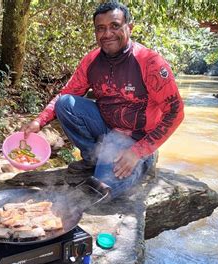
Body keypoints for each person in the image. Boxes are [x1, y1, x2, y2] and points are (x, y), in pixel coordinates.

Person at [21, 1, 184, 199]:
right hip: (106, 128)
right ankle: (93, 159)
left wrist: (139, 151)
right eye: (101, 28)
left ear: (129, 28)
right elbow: (66, 94)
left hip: (137, 138)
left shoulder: (150, 63)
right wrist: (39, 121)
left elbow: (175, 112)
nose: (107, 34)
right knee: (66, 104)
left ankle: (145, 160)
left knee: (101, 190)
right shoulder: (91, 61)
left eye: (115, 26)